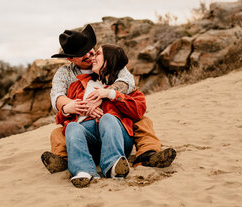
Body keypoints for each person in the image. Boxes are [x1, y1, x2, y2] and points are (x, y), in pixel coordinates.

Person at [41, 24, 176, 174]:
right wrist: (74, 106)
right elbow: (57, 96)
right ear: (70, 59)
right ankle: (64, 160)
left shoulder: (111, 62)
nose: (88, 55)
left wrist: (104, 95)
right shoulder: (65, 74)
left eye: (90, 49)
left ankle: (147, 155)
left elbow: (128, 82)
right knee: (59, 132)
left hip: (113, 123)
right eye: (81, 53)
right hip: (84, 128)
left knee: (142, 121)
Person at [58, 44, 146, 187]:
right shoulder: (78, 85)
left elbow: (139, 110)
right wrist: (69, 109)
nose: (93, 57)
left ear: (109, 59)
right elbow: (61, 119)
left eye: (97, 54)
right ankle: (83, 171)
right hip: (89, 141)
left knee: (107, 118)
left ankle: (112, 166)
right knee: (73, 127)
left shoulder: (122, 86)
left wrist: (110, 94)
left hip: (117, 138)